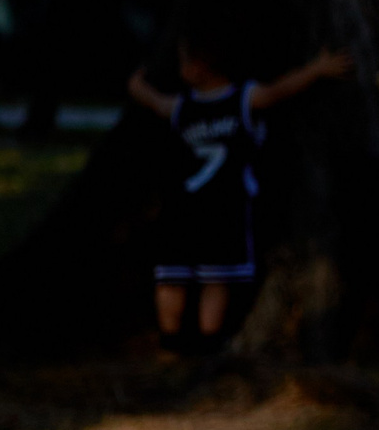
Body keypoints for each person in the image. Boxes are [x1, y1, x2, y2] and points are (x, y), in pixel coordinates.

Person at [127, 36, 352, 352]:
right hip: (195, 208)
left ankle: (199, 342)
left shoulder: (234, 100)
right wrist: (316, 70)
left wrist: (316, 70)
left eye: (183, 61)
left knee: (208, 277)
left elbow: (278, 91)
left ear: (199, 67)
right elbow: (277, 90)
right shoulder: (189, 105)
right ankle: (178, 342)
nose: (179, 69)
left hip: (216, 207)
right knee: (180, 276)